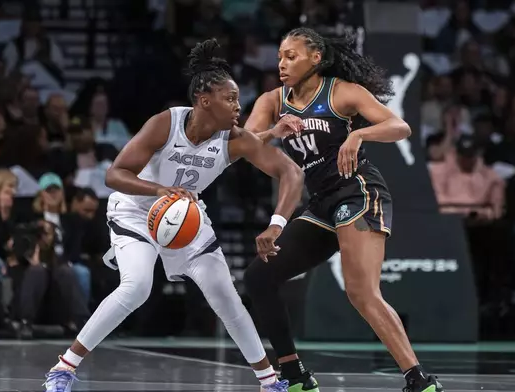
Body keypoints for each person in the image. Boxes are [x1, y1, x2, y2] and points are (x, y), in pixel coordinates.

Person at [43, 39, 305, 392]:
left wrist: (276, 225)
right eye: (230, 98)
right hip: (136, 211)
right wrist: (158, 190)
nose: (237, 105)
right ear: (204, 99)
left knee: (226, 295)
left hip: (185, 217)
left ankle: (270, 381)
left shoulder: (236, 138)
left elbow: (292, 173)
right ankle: (64, 368)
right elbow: (114, 175)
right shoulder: (165, 124)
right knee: (137, 287)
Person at [243, 27, 444, 392]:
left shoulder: (340, 92)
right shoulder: (273, 101)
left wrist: (358, 134)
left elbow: (399, 126)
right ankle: (295, 375)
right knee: (259, 277)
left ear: (315, 58)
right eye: (279, 57)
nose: (282, 64)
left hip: (359, 191)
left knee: (360, 291)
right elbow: (242, 142)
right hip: (322, 201)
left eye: (291, 56)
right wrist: (274, 131)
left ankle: (419, 380)